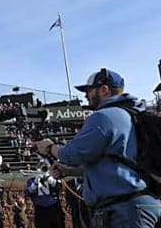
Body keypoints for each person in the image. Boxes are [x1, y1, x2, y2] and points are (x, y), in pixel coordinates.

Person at [34, 68, 161, 228]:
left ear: (104, 90)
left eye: (89, 90)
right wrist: (69, 172)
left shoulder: (104, 116)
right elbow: (112, 164)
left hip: (124, 209)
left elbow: (72, 154)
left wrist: (50, 147)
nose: (86, 95)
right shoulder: (130, 114)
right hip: (141, 204)